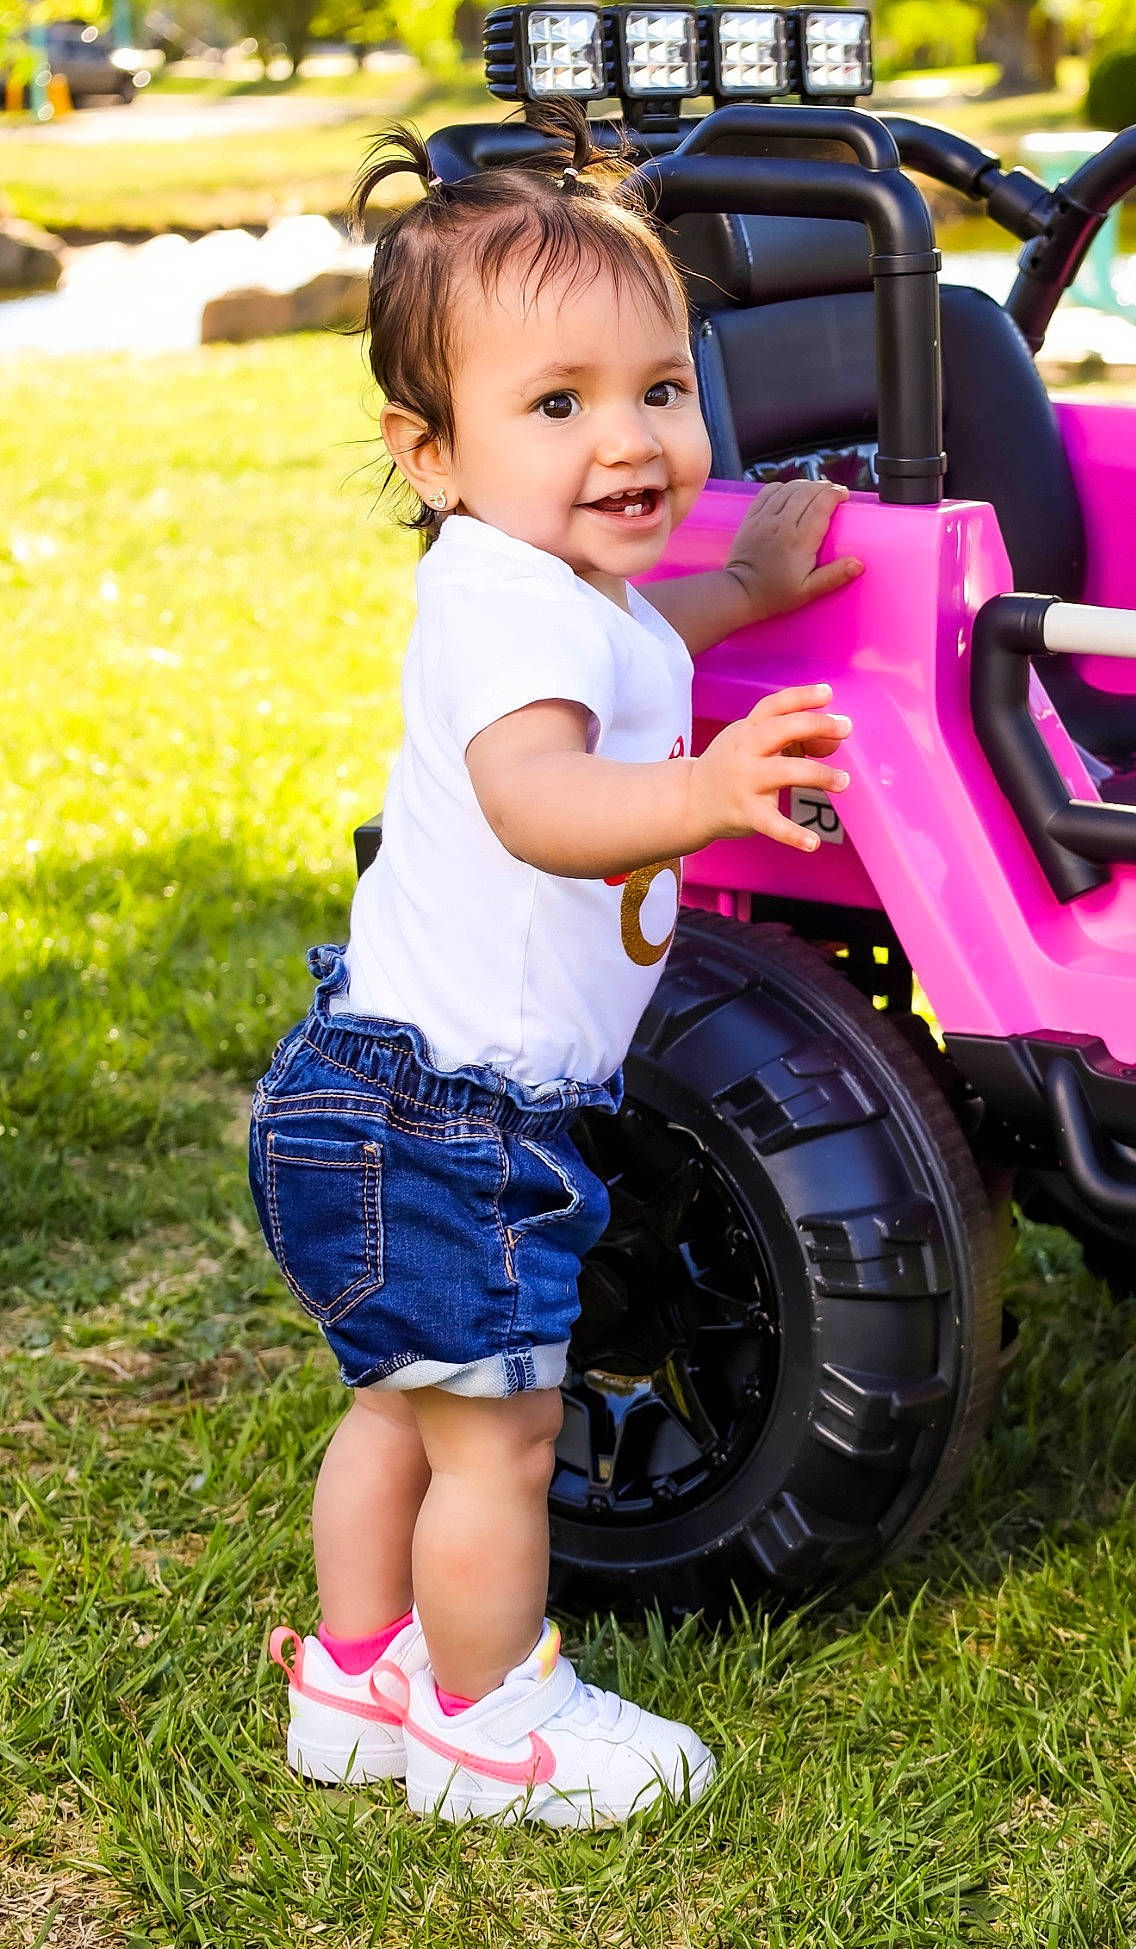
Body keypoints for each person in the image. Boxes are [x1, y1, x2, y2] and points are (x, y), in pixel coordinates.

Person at [250, 99, 861, 1829]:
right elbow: (538, 799)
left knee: (408, 1410)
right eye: (558, 405)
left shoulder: (544, 585)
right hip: (446, 1117)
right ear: (432, 454)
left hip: (391, 1094)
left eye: (659, 389)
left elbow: (641, 636)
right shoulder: (510, 606)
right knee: (499, 1437)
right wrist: (711, 792)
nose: (630, 439)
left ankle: (361, 1680)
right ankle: (493, 1721)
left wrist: (739, 580)